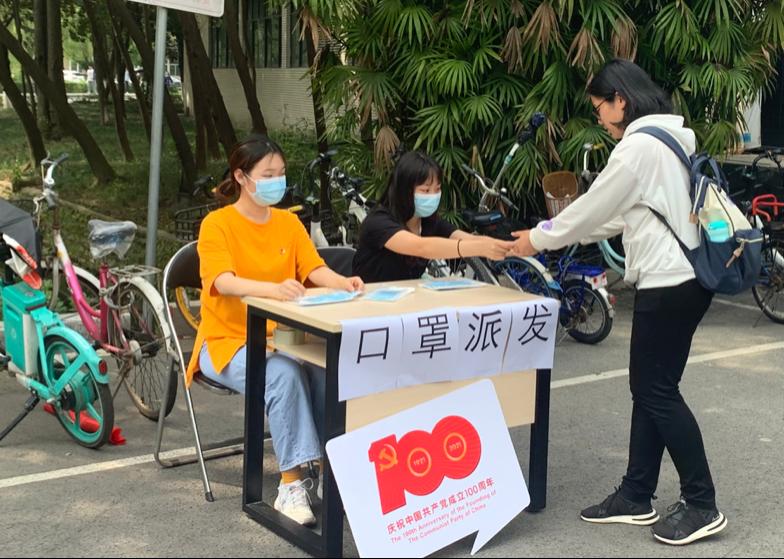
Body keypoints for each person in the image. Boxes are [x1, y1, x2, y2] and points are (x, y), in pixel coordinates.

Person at [511, 59, 726, 545]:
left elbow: (590, 209)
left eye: (600, 108)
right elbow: (622, 215)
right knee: (652, 389)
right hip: (685, 280)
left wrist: (537, 238)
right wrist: (558, 234)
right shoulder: (671, 141)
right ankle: (635, 494)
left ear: (620, 100)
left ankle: (701, 502)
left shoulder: (637, 148)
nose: (600, 119)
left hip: (667, 282)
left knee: (655, 391)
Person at [186, 134, 363, 527]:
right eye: (267, 174)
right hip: (227, 343)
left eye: (280, 173)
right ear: (241, 177)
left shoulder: (288, 222)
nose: (276, 181)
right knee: (283, 374)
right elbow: (222, 281)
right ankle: (291, 484)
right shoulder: (217, 224)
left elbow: (313, 268)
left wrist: (342, 283)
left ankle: (331, 473)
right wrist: (273, 290)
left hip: (285, 338)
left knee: (324, 368)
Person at [352, 150, 514, 282]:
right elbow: (421, 247)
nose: (433, 196)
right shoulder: (379, 221)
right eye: (425, 190)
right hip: (371, 303)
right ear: (404, 190)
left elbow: (465, 238)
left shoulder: (428, 221)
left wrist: (506, 247)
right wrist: (477, 248)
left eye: (437, 189)